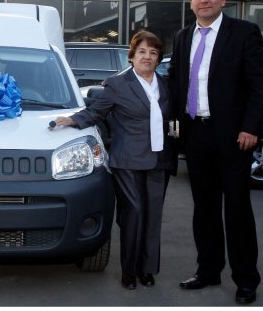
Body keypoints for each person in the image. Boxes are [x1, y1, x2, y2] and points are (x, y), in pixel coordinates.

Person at [169, 0, 263, 304]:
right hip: (196, 135)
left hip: (233, 137)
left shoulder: (243, 33)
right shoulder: (183, 37)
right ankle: (208, 270)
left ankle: (245, 280)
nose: (205, 0)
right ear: (191, 2)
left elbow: (258, 85)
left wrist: (250, 127)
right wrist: (175, 128)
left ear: (223, 0)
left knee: (238, 209)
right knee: (204, 208)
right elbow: (176, 86)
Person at [51, 31, 172, 290]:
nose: (147, 57)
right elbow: (96, 111)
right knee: (134, 213)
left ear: (159, 57)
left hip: (159, 159)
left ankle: (147, 269)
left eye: (153, 52)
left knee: (152, 216)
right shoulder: (117, 84)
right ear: (132, 56)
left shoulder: (165, 85)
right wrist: (73, 120)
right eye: (142, 52)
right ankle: (129, 270)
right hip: (127, 159)